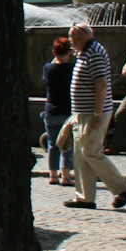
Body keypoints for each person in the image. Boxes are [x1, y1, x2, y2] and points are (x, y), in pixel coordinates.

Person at [64, 24, 126, 209]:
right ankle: (84, 198)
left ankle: (125, 188)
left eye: (72, 39)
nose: (71, 43)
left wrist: (98, 114)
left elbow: (102, 85)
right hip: (83, 112)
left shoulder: (94, 52)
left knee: (91, 151)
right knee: (81, 155)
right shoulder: (86, 51)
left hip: (93, 112)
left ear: (81, 38)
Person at [42, 37, 76, 186]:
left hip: (51, 110)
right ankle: (66, 176)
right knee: (67, 144)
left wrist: (57, 56)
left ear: (54, 52)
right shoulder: (72, 69)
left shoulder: (48, 68)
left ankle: (53, 175)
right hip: (67, 111)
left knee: (52, 144)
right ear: (69, 52)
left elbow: (53, 64)